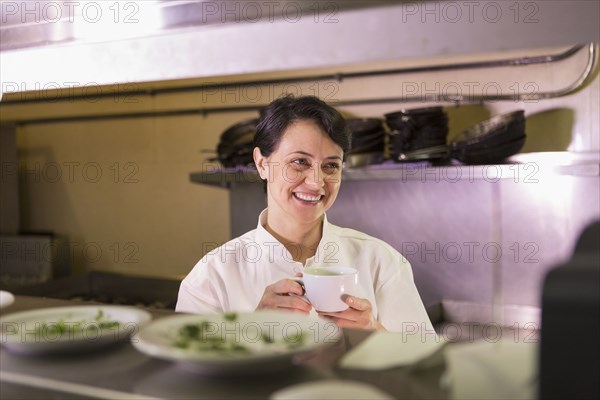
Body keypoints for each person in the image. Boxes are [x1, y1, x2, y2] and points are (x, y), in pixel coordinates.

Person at [176, 95, 433, 332]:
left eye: (331, 165)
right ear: (262, 163)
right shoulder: (212, 275)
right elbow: (185, 376)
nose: (316, 182)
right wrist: (251, 329)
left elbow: (428, 369)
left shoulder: (381, 262)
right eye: (300, 162)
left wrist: (374, 332)